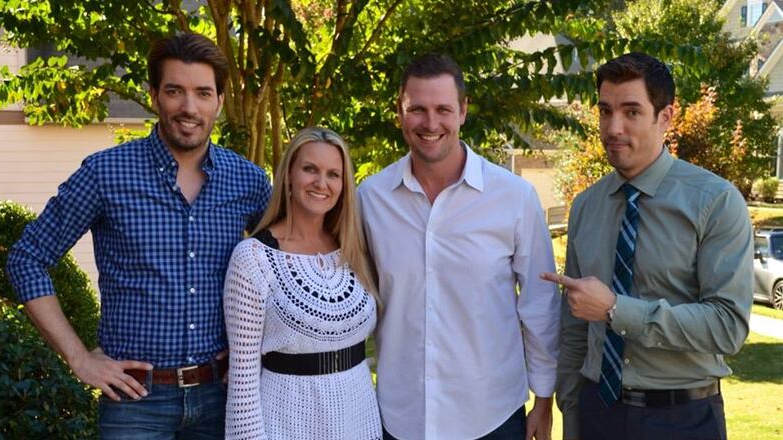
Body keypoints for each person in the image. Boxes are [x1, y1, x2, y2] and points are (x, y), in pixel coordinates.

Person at [6, 33, 271, 438]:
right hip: (135, 404)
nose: (189, 107)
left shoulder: (248, 181)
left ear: (219, 100)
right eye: (174, 91)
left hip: (223, 396)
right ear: (153, 95)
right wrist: (78, 359)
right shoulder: (105, 174)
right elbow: (27, 258)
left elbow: (288, 266)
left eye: (203, 93)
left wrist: (256, 351)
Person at [542, 52, 753, 440]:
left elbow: (728, 327)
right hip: (596, 413)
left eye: (632, 112)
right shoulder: (586, 206)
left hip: (683, 418)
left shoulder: (716, 202)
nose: (613, 127)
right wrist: (572, 414)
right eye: (605, 111)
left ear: (666, 117)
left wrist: (617, 310)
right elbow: (574, 330)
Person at [358, 53, 560, 440]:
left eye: (443, 109)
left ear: (463, 111)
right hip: (399, 417)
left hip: (491, 415)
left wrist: (545, 399)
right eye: (417, 109)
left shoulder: (514, 197)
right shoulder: (370, 199)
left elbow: (539, 304)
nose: (430, 123)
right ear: (399, 112)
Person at [223, 127, 381, 440]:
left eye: (333, 174)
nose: (322, 183)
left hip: (358, 420)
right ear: (289, 177)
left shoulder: (353, 249)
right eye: (310, 169)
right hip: (287, 422)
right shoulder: (253, 258)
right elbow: (243, 380)